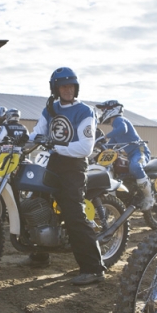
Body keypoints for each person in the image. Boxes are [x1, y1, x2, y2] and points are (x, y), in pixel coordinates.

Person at [28, 67, 104, 286]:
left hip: (74, 166)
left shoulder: (85, 111)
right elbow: (38, 132)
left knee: (73, 214)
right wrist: (23, 140)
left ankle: (93, 269)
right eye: (63, 86)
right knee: (37, 203)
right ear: (56, 89)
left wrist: (56, 146)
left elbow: (85, 148)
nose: (68, 90)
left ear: (76, 88)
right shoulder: (50, 109)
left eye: (71, 86)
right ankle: (40, 254)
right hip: (53, 163)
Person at [96, 100, 153, 211]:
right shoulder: (115, 131)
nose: (102, 112)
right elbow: (109, 147)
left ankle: (149, 197)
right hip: (131, 154)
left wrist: (105, 136)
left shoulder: (119, 120)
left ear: (112, 109)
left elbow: (123, 129)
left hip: (139, 150)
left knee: (135, 166)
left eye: (104, 110)